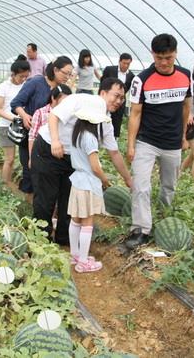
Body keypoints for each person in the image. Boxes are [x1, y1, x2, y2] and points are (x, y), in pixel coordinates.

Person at [32, 78, 132, 245]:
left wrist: (128, 179)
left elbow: (114, 153)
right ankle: (40, 241)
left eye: (122, 98)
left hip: (72, 159)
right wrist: (56, 141)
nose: (119, 101)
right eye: (116, 96)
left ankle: (64, 239)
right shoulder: (81, 100)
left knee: (68, 200)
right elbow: (53, 116)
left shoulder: (105, 122)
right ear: (103, 93)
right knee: (45, 199)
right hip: (49, 150)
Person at [124, 34, 192, 250]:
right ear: (152, 54)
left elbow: (185, 107)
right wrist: (131, 145)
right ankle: (141, 229)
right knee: (141, 186)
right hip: (147, 141)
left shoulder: (185, 76)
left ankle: (164, 219)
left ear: (176, 54)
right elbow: (135, 114)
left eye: (169, 58)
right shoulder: (142, 79)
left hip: (172, 143)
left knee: (169, 186)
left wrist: (183, 136)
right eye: (159, 57)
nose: (164, 62)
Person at [10, 57, 72, 201]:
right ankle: (28, 205)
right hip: (31, 135)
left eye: (70, 74)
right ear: (55, 69)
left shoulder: (64, 91)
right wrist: (25, 115)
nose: (67, 77)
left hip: (52, 142)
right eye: (65, 73)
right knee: (31, 172)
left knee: (48, 178)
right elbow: (16, 103)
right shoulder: (36, 82)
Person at [68, 106, 112, 273]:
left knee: (76, 219)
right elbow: (95, 166)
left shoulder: (77, 134)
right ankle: (84, 262)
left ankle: (75, 255)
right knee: (87, 222)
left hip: (77, 181)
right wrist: (105, 180)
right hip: (88, 183)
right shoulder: (90, 138)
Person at [0, 56, 31, 184]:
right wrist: (14, 118)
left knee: (23, 159)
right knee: (9, 159)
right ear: (13, 74)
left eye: (26, 76)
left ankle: (13, 183)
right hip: (6, 126)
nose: (23, 79)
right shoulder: (4, 86)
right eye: (21, 76)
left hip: (23, 127)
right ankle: (5, 185)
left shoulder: (26, 85)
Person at [28, 85, 72, 169]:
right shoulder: (41, 113)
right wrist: (31, 158)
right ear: (53, 98)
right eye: (64, 101)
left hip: (63, 155)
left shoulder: (70, 114)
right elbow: (32, 137)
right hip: (44, 154)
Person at [100, 53, 134, 138]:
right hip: (107, 100)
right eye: (124, 63)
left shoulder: (131, 76)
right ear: (119, 61)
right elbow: (103, 83)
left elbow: (127, 90)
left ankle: (114, 138)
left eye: (128, 64)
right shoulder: (109, 70)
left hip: (120, 103)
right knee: (103, 117)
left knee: (117, 120)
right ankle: (100, 135)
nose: (126, 65)